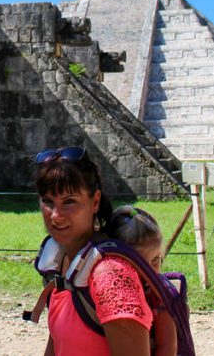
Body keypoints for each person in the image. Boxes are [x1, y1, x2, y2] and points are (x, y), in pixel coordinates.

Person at [34, 146, 152, 356]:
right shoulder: (59, 263)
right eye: (48, 201)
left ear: (95, 201)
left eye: (69, 201)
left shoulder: (110, 276)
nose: (55, 215)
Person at [109, 205, 178, 356]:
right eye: (138, 263)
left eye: (155, 260)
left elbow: (168, 347)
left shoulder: (158, 295)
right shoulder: (108, 292)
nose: (149, 271)